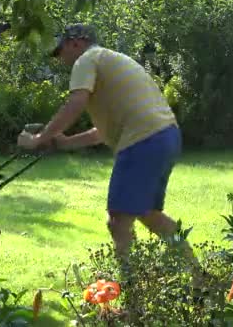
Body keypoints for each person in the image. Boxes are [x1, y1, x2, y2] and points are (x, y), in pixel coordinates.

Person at [17, 24, 199, 271]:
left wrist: (38, 139)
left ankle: (133, 297)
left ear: (76, 43)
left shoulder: (87, 59)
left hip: (143, 141)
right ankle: (199, 276)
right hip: (166, 136)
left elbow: (76, 103)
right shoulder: (111, 61)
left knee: (118, 220)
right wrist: (67, 142)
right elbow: (103, 132)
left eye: (61, 51)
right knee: (149, 214)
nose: (61, 60)